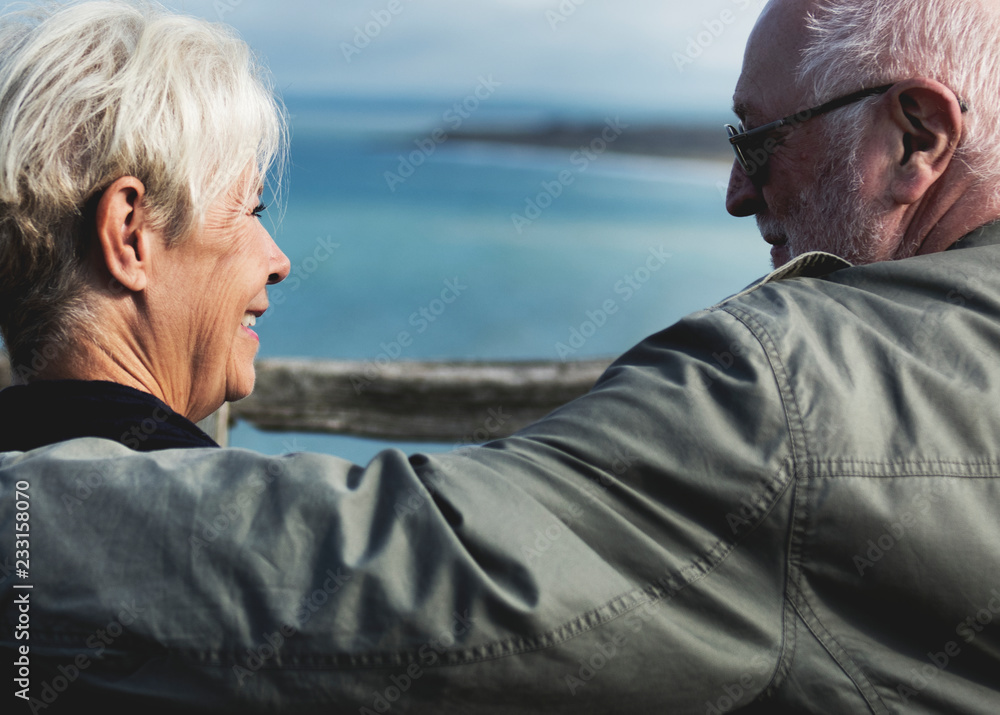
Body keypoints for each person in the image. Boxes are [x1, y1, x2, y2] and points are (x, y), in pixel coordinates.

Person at [2, 0, 999, 712]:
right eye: (251, 210)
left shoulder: (809, 393)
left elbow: (409, 579)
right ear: (128, 233)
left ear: (916, 136)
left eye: (759, 142)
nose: (737, 196)